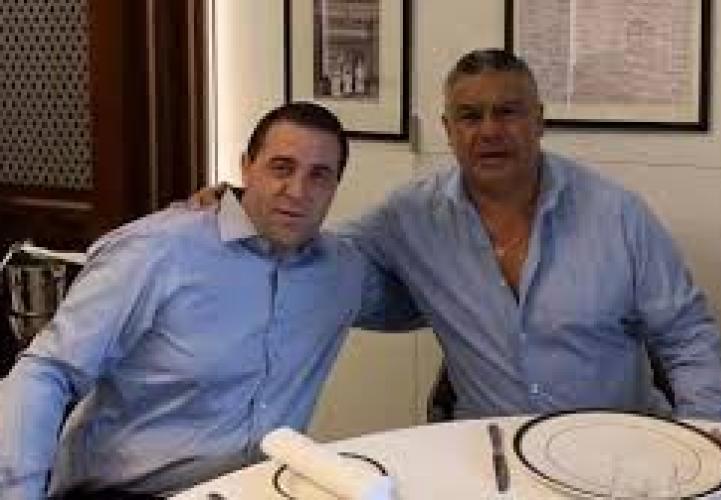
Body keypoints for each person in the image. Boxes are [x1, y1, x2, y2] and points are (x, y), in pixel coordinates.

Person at [191, 50, 721, 421]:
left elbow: (688, 336)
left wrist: (707, 441)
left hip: (616, 451)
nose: (490, 130)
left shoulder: (617, 214)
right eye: (470, 116)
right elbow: (317, 248)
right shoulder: (411, 217)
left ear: (539, 121)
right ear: (448, 131)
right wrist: (241, 204)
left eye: (508, 112)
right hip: (486, 457)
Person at [0, 102, 418, 499]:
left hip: (261, 487)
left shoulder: (342, 272)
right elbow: (46, 372)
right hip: (134, 490)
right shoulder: (157, 251)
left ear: (335, 187)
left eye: (319, 176)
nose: (297, 191)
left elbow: (423, 304)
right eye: (281, 168)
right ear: (246, 167)